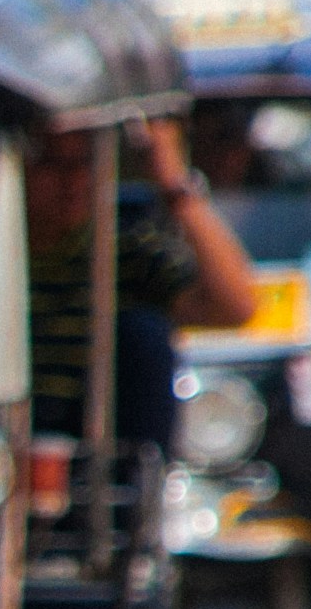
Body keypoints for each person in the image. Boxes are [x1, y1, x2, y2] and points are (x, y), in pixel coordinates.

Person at [23, 113, 264, 447]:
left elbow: (236, 306)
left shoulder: (121, 250)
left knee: (144, 331)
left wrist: (174, 184)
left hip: (91, 446)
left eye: (85, 163)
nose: (74, 181)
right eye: (53, 164)